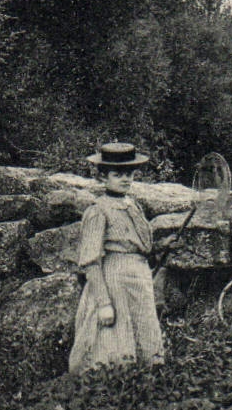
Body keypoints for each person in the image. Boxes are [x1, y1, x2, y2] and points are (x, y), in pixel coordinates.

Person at [69, 143, 165, 375]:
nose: (125, 179)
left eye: (129, 174)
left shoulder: (133, 205)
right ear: (103, 177)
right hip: (115, 283)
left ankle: (144, 384)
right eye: (117, 174)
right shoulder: (98, 210)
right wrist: (104, 304)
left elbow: (139, 246)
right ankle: (110, 388)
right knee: (113, 343)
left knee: (145, 339)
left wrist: (162, 246)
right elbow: (91, 262)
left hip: (139, 282)